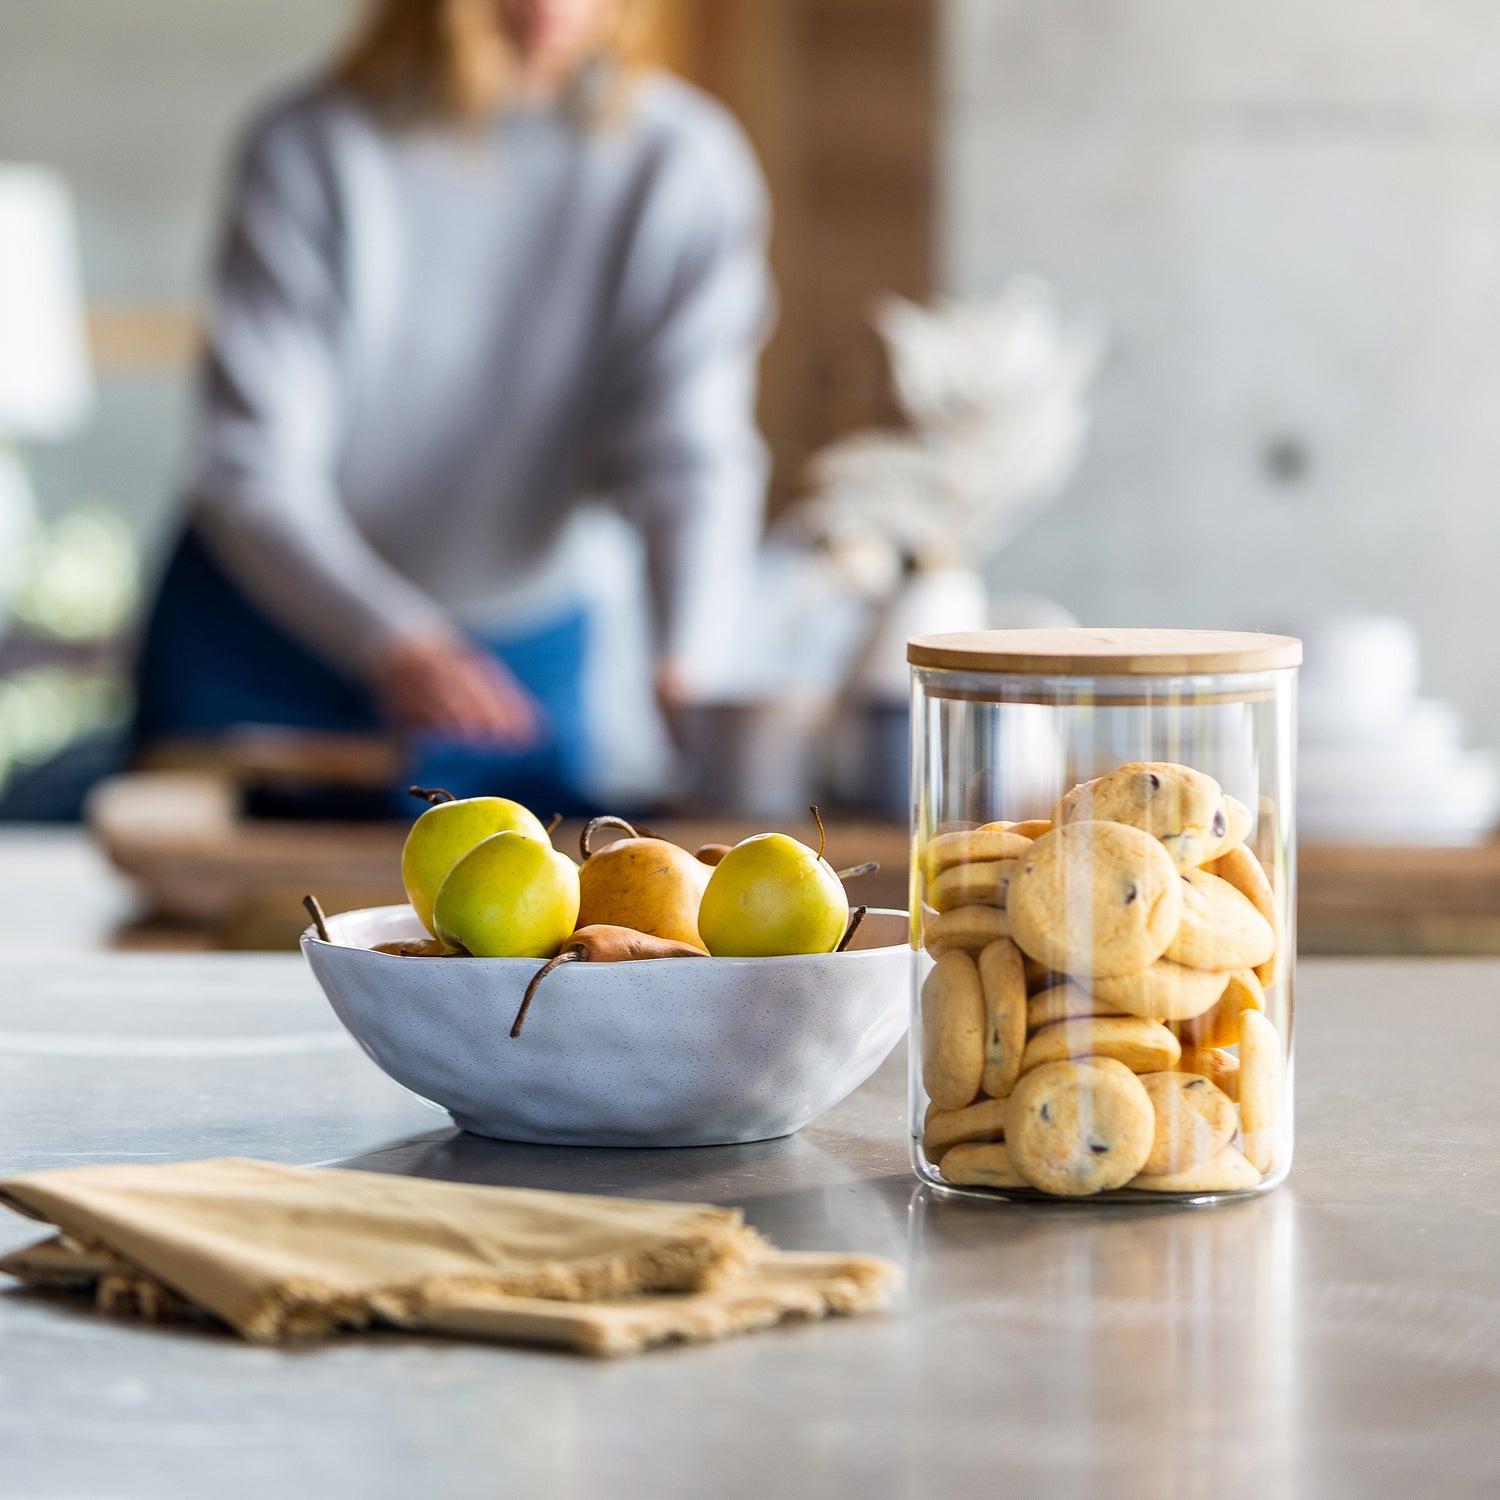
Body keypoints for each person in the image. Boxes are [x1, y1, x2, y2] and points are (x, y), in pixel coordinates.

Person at [133, 0, 772, 813]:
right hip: (264, 640)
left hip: (517, 660)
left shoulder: (683, 162)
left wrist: (689, 661)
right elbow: (250, 464)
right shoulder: (310, 144)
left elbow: (692, 452)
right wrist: (394, 639)